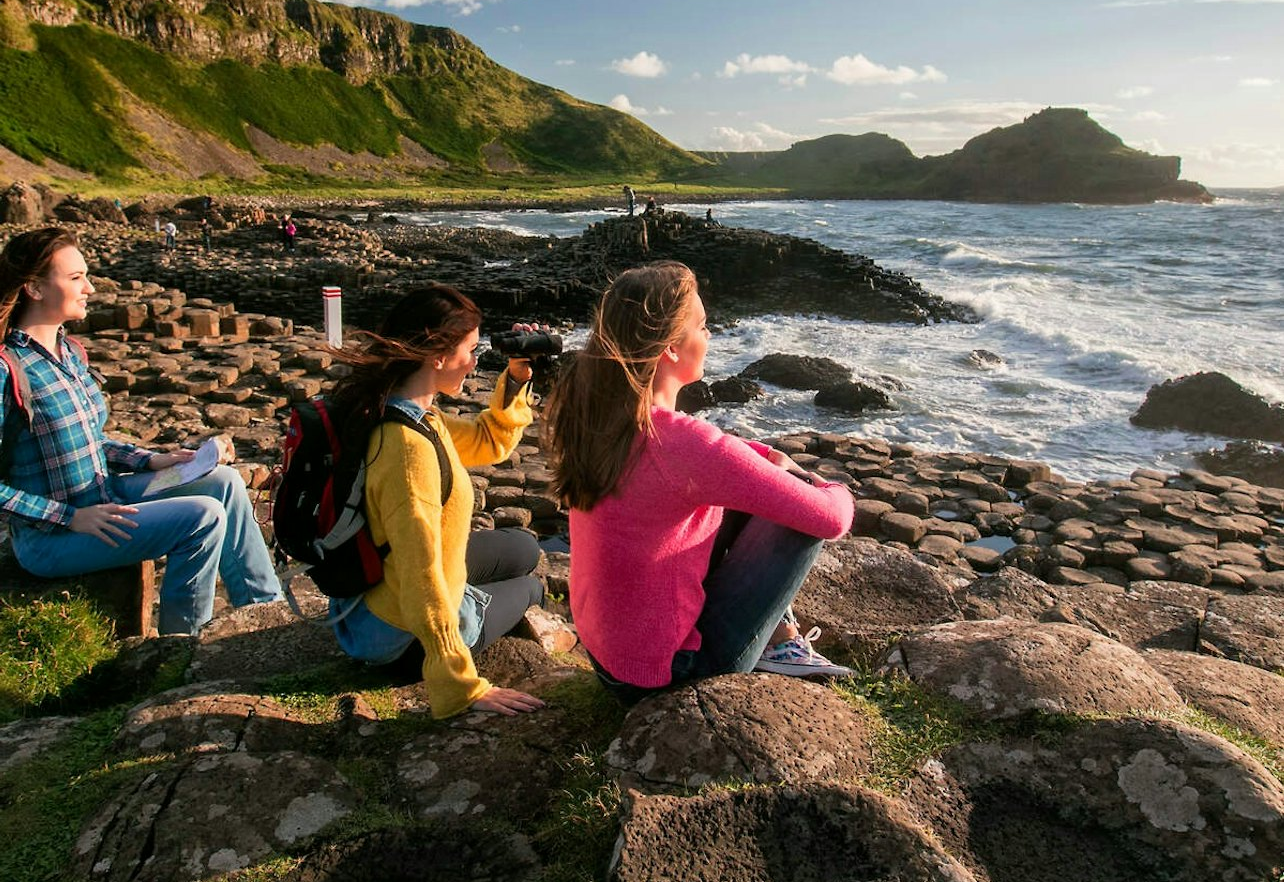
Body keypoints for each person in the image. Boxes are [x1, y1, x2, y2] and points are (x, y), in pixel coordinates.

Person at [544, 262, 854, 704]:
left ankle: (780, 633)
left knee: (754, 488)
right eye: (703, 327)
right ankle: (778, 644)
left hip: (612, 661)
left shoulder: (597, 416)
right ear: (671, 347)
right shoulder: (682, 444)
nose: (710, 337)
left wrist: (767, 458)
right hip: (669, 673)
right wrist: (823, 483)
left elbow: (719, 459)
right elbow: (830, 518)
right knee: (797, 515)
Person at [0, 227, 283, 635]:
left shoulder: (70, 352)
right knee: (201, 517)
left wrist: (154, 460)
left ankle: (264, 615)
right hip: (52, 537)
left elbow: (90, 440)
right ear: (34, 288)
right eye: (76, 278)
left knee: (221, 481)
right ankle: (180, 646)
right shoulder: (7, 367)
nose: (91, 288)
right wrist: (69, 517)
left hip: (107, 495)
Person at [324, 285, 546, 719]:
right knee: (531, 586)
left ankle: (470, 594)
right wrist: (459, 685)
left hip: (376, 591)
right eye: (471, 349)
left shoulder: (409, 411)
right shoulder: (408, 452)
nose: (476, 360)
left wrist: (517, 377)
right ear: (438, 356)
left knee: (525, 547)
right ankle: (466, 619)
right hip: (394, 635)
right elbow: (421, 575)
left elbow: (487, 441)